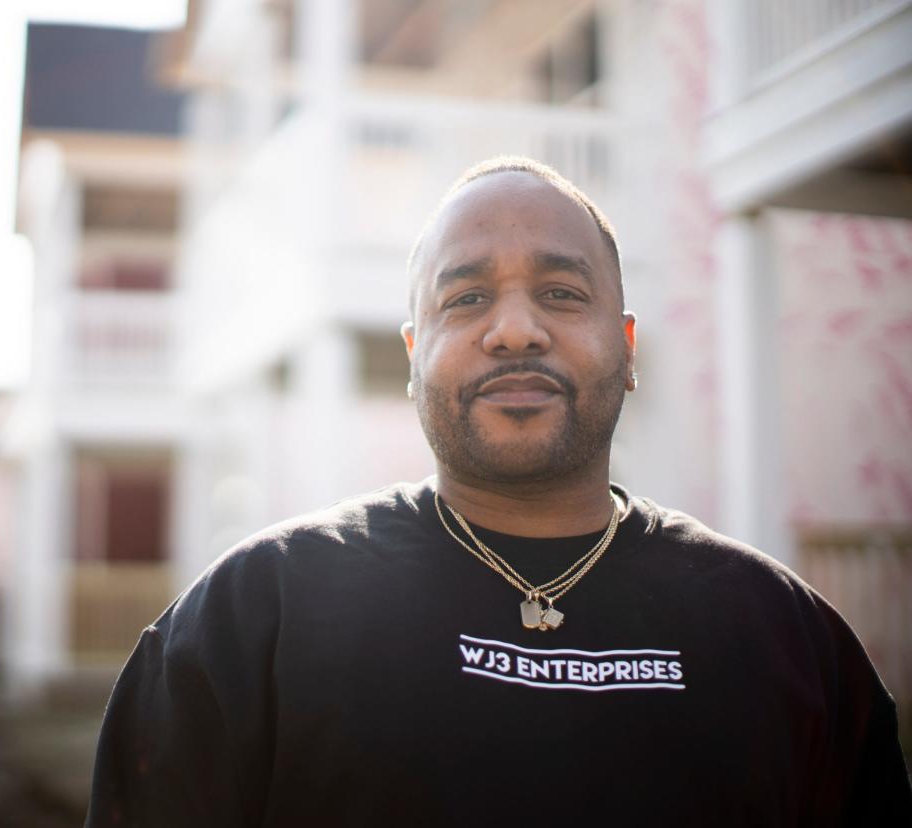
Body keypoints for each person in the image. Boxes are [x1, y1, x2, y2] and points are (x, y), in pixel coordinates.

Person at [85, 157, 912, 826]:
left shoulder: (787, 639)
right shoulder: (254, 614)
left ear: (627, 348)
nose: (515, 328)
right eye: (467, 297)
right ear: (415, 356)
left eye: (561, 293)